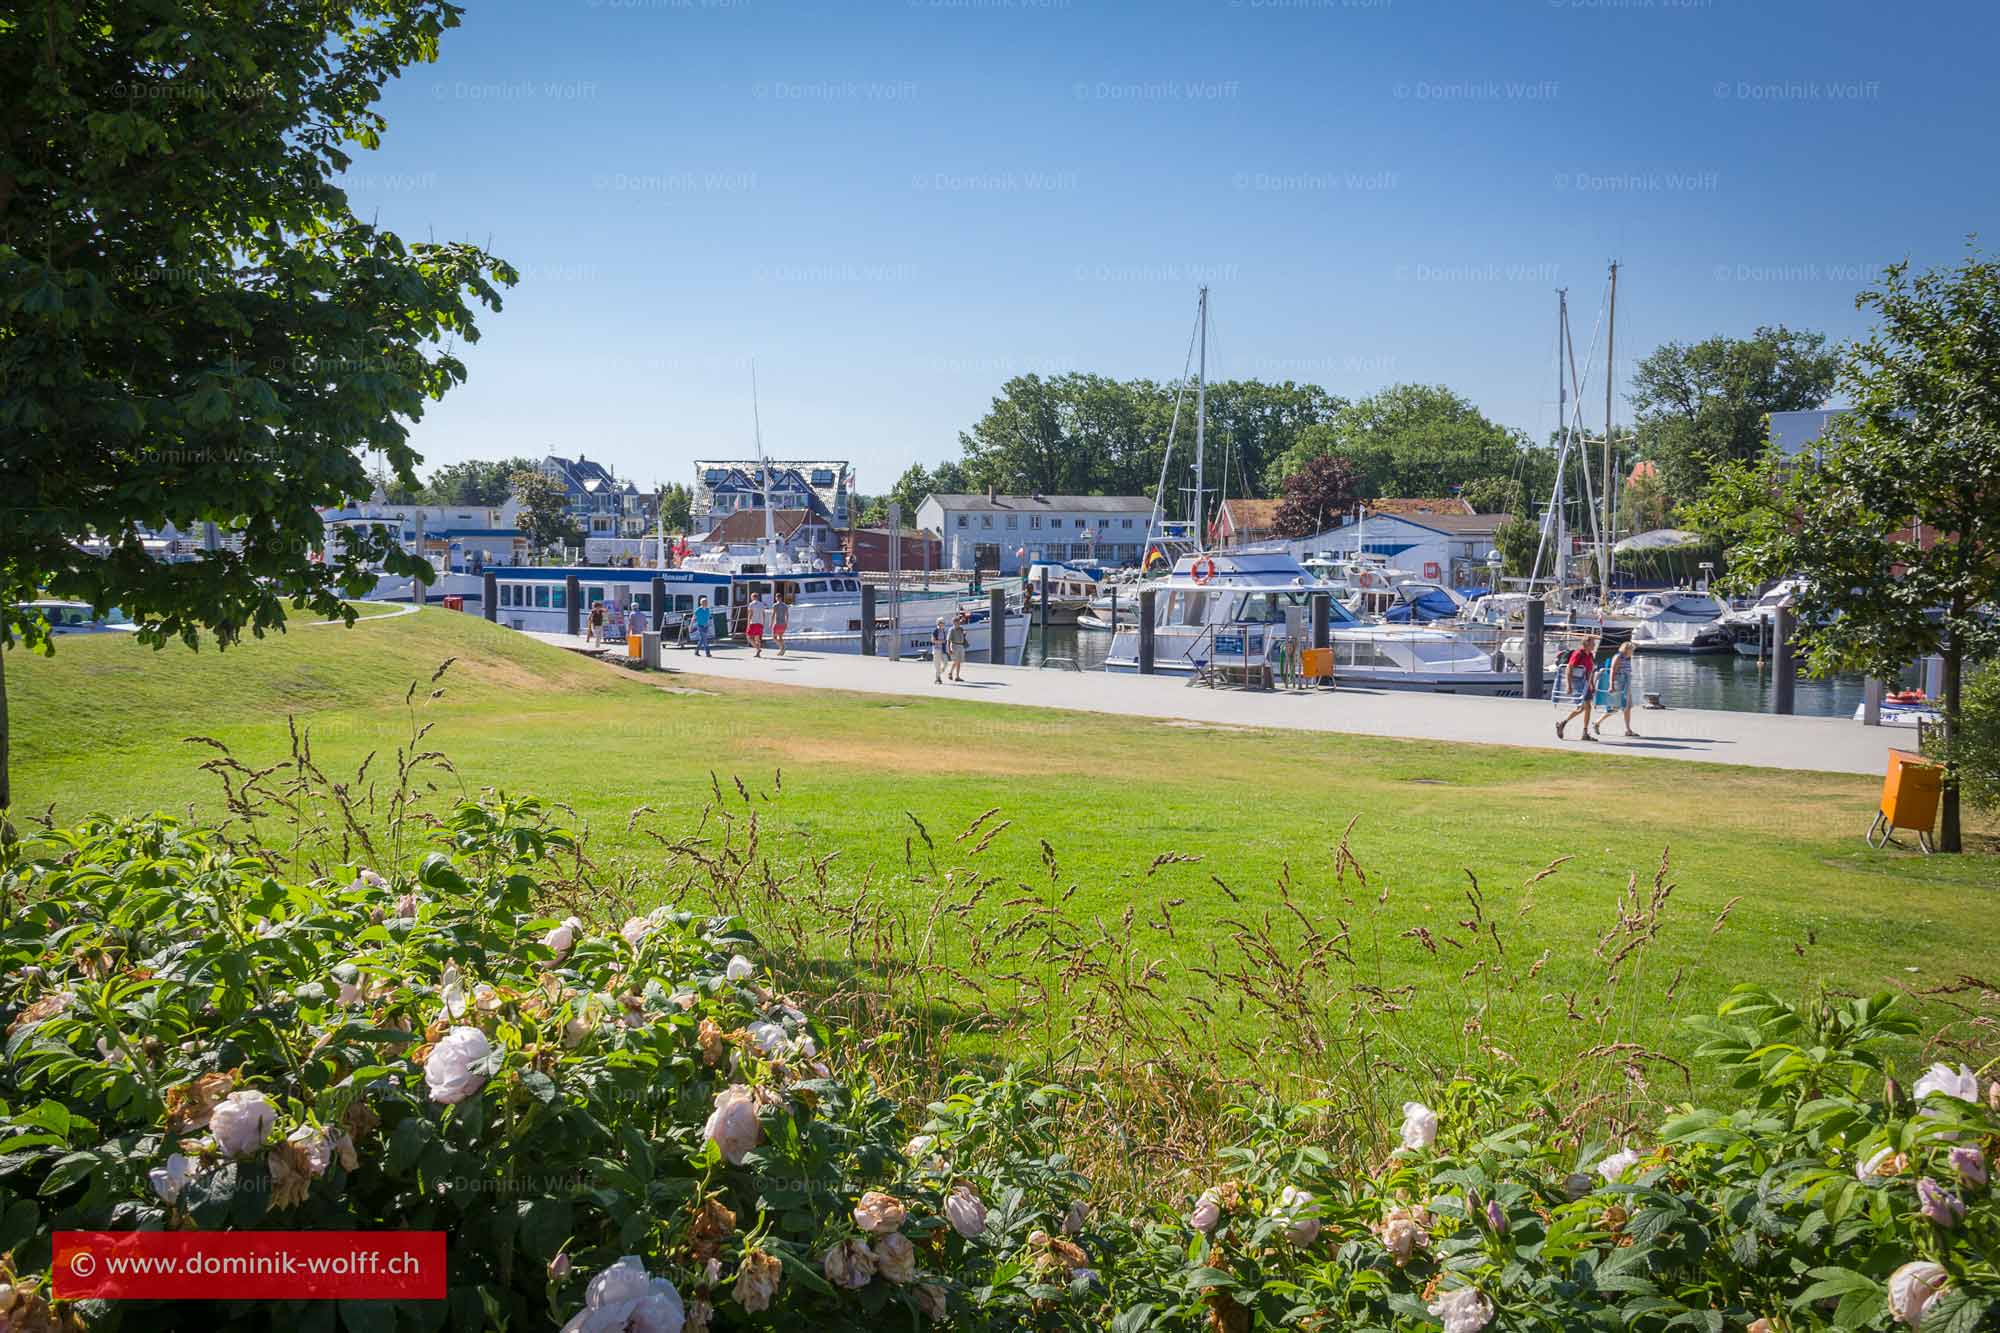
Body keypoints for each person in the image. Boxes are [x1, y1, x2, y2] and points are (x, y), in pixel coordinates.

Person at [1555, 635, 1600, 740]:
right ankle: (1583, 732)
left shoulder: (1590, 655)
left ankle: (1563, 724)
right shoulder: (1578, 653)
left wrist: (1592, 684)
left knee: (1583, 708)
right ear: (1586, 644)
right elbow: (1569, 668)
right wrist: (1569, 685)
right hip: (1579, 684)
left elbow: (1590, 671)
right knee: (1586, 707)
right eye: (1593, 643)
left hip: (1586, 684)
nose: (1594, 645)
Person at [1594, 640, 1639, 738]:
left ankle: (1628, 729)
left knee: (1627, 707)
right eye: (1632, 650)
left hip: (1626, 684)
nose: (1633, 652)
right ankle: (1597, 722)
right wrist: (1611, 685)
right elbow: (1612, 671)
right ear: (1627, 649)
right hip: (1618, 684)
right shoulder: (1618, 657)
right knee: (1616, 707)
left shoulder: (1627, 658)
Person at [948, 611, 970, 682]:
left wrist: (964, 634)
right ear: (954, 623)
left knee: (958, 662)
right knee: (956, 661)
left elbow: (963, 637)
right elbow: (948, 640)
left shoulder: (961, 628)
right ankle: (953, 674)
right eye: (956, 622)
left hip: (961, 646)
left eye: (958, 622)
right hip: (955, 646)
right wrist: (949, 649)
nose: (958, 623)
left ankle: (954, 674)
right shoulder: (951, 630)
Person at [746, 594, 766, 658]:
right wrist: (763, 623)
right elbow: (763, 614)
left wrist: (748, 623)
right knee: (757, 638)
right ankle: (758, 653)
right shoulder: (762, 604)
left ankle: (758, 649)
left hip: (753, 623)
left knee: (748, 637)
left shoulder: (751, 604)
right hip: (760, 623)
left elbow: (750, 614)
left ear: (752, 597)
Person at [771, 591, 790, 655]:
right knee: (780, 637)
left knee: (774, 637)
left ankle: (782, 648)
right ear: (781, 598)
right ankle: (782, 650)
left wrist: (771, 623)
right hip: (783, 623)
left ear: (776, 598)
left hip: (777, 623)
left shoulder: (775, 605)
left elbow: (773, 615)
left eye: (776, 597)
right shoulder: (785, 605)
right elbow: (787, 615)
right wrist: (787, 623)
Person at [931, 616, 949, 683]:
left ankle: (938, 673)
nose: (942, 624)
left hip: (943, 650)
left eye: (943, 623)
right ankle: (938, 678)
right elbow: (933, 641)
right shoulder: (935, 631)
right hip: (936, 649)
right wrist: (941, 641)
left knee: (946, 663)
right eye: (941, 623)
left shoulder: (943, 631)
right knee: (937, 664)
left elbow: (945, 640)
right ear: (938, 623)